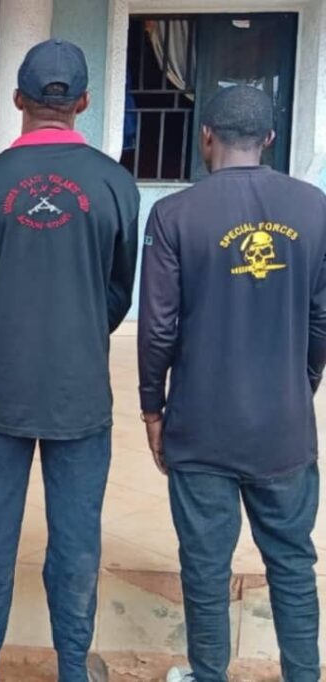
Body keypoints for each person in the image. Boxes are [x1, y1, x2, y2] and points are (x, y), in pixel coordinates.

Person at [0, 40, 140, 682]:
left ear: (17, 99)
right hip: (79, 390)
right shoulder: (116, 184)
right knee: (77, 537)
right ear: (83, 102)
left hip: (1, 384)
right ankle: (73, 669)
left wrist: (3, 332)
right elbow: (118, 291)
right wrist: (78, 332)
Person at [138, 85, 325, 682]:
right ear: (269, 138)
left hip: (201, 428)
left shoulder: (174, 215)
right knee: (292, 564)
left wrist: (152, 409)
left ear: (206, 136)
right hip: (283, 430)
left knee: (205, 567)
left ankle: (208, 675)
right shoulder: (315, 209)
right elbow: (322, 319)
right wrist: (301, 385)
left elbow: (158, 328)